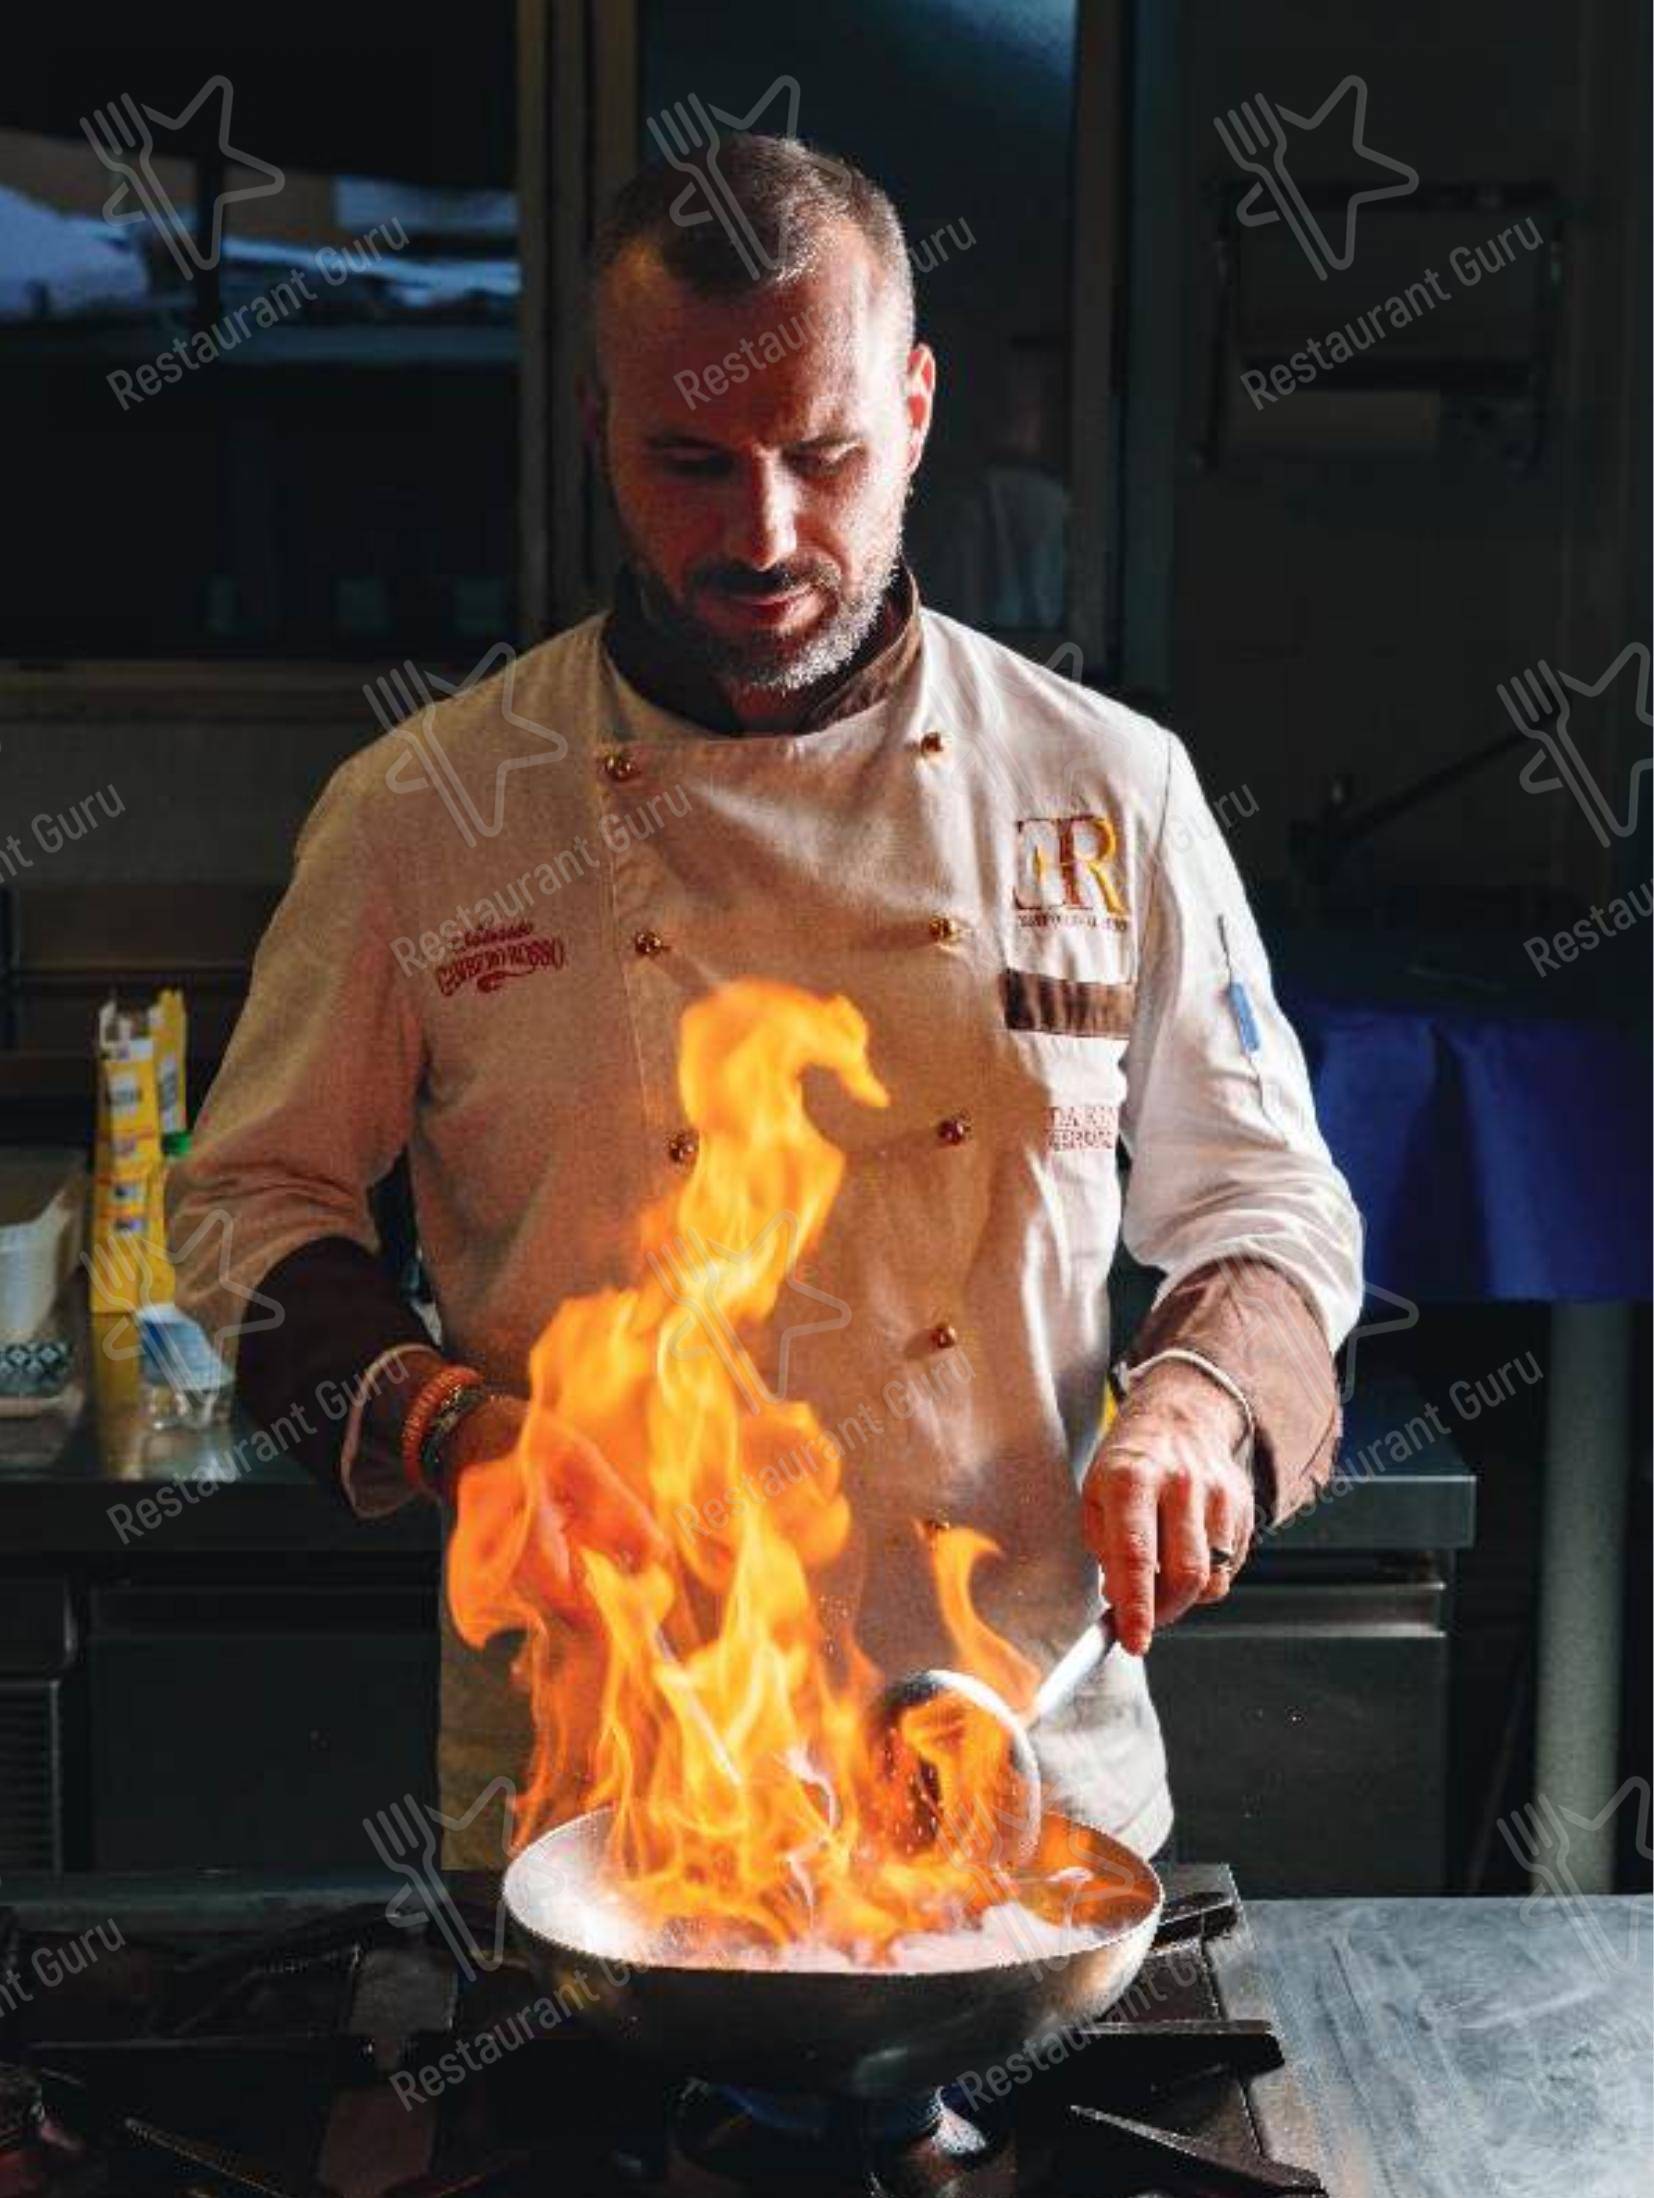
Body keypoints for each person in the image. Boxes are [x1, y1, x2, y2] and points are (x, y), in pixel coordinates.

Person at [167, 135, 1363, 1869]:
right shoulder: (427, 817)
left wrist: (1202, 1409)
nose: (767, 532)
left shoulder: (1104, 793)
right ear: (595, 436)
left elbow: (1266, 1199)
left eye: (824, 453)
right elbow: (245, 1206)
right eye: (689, 463)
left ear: (921, 406)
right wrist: (458, 1430)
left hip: (1014, 1771)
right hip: (603, 1800)